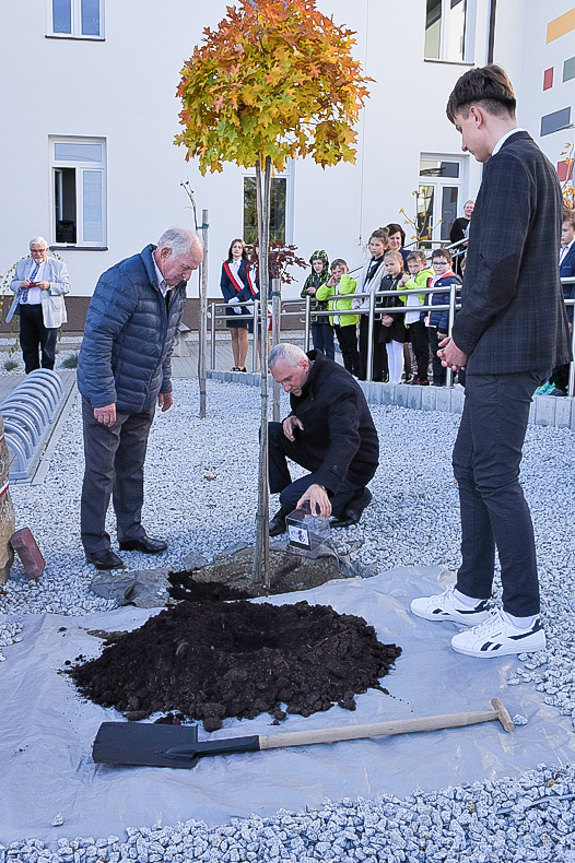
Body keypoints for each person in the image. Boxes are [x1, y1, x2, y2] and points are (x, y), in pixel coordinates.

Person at [411, 65, 571, 657]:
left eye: (460, 128)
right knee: (468, 464)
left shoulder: (508, 163)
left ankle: (523, 617)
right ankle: (472, 593)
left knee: (496, 476)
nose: (462, 144)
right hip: (508, 345)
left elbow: (498, 268)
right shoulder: (532, 161)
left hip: (504, 348)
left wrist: (463, 338)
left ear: (477, 114)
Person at [77, 227, 203, 570]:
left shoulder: (175, 285)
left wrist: (165, 384)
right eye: (186, 267)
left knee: (131, 469)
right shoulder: (121, 281)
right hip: (109, 397)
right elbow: (96, 342)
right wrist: (103, 397)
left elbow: (165, 339)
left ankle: (130, 532)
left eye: (193, 269)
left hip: (142, 395)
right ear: (164, 254)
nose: (188, 275)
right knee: (101, 472)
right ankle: (95, 544)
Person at [267, 343, 379, 535]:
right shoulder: (304, 378)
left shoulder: (339, 387)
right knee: (270, 432)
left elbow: (346, 439)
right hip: (322, 448)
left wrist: (321, 485)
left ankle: (355, 495)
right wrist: (291, 417)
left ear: (304, 365)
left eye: (288, 380)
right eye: (280, 383)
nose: (285, 388)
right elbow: (314, 406)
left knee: (290, 498)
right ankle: (290, 502)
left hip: (353, 463)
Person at [7, 236, 70, 373]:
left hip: (46, 311)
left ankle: (46, 377)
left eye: (41, 250)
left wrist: (49, 285)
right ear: (30, 251)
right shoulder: (23, 265)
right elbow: (13, 283)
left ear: (46, 250)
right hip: (26, 310)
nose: (38, 254)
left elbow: (66, 287)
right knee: (28, 346)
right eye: (34, 251)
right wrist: (20, 285)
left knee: (47, 348)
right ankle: (32, 377)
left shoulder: (58, 266)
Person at [536, 211, 575, 396]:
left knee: (564, 348)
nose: (561, 234)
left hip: (567, 308)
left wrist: (570, 317)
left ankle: (564, 385)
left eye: (565, 230)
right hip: (554, 306)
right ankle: (552, 381)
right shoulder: (558, 250)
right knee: (551, 346)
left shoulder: (573, 252)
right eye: (559, 230)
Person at [353, 227, 390, 381]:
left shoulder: (385, 262)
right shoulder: (368, 261)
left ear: (385, 246)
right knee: (364, 341)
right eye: (372, 245)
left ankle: (377, 374)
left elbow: (379, 284)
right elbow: (362, 282)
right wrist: (357, 301)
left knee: (376, 344)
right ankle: (364, 372)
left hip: (376, 308)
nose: (374, 248)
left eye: (377, 245)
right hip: (365, 307)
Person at [423, 248, 462, 387]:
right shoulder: (433, 279)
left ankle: (445, 380)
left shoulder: (451, 280)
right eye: (435, 263)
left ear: (450, 264)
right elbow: (428, 299)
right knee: (434, 353)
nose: (438, 266)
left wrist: (443, 327)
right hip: (432, 322)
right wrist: (424, 315)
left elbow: (449, 307)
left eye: (442, 263)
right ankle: (437, 379)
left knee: (444, 353)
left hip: (442, 324)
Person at [316, 258, 359, 376]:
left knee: (351, 347)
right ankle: (348, 371)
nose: (337, 275)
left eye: (340, 271)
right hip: (336, 320)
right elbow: (319, 296)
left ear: (347, 270)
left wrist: (345, 276)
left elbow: (344, 291)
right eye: (334, 273)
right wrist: (328, 285)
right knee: (343, 348)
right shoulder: (333, 286)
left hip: (348, 320)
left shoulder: (351, 282)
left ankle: (357, 371)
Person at [399, 250, 432, 385]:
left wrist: (408, 283)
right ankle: (418, 374)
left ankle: (422, 376)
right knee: (416, 349)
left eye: (416, 266)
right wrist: (401, 286)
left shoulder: (425, 276)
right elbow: (403, 297)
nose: (413, 269)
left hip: (419, 317)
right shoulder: (410, 278)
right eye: (411, 266)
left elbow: (422, 293)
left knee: (422, 348)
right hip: (410, 317)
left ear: (423, 264)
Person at [220, 238, 253, 372]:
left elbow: (248, 285)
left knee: (242, 333)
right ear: (231, 249)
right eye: (235, 247)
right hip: (230, 304)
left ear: (243, 250)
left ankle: (242, 364)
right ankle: (235, 364)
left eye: (239, 247)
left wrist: (238, 299)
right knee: (233, 334)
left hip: (243, 303)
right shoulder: (226, 265)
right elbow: (223, 284)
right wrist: (230, 301)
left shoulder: (247, 265)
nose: (237, 249)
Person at [376, 250, 408, 384]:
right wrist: (383, 314)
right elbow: (382, 298)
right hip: (386, 317)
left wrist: (393, 317)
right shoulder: (385, 280)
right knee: (388, 349)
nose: (389, 268)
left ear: (400, 263)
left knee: (397, 348)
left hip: (398, 319)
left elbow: (402, 301)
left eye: (392, 264)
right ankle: (391, 377)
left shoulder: (403, 278)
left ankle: (398, 377)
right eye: (387, 265)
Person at [300, 250, 334, 361]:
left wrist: (317, 291)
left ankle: (330, 368)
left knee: (328, 345)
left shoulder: (329, 277)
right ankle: (318, 368)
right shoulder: (310, 278)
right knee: (317, 346)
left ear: (324, 264)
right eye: (314, 264)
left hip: (326, 316)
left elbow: (330, 293)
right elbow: (302, 293)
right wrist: (308, 292)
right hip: (314, 317)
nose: (317, 266)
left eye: (319, 263)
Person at [449, 200, 474, 274]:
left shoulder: (477, 222)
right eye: (468, 207)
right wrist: (463, 242)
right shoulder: (458, 221)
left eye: (471, 208)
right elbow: (453, 236)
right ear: (464, 209)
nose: (469, 209)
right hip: (460, 252)